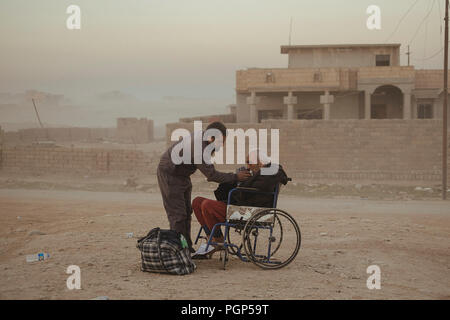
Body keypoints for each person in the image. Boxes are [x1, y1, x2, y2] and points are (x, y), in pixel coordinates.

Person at [157, 122, 250, 253]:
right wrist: (235, 177)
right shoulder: (199, 149)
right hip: (170, 174)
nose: (221, 145)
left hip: (183, 175)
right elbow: (211, 175)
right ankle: (178, 251)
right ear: (211, 138)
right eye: (220, 142)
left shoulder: (204, 140)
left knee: (187, 212)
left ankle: (186, 248)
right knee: (178, 215)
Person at [192, 149, 288, 257]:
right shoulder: (257, 173)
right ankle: (212, 238)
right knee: (197, 201)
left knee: (207, 205)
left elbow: (251, 190)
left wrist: (242, 182)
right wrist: (235, 178)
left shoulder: (272, 171)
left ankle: (218, 242)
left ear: (260, 163)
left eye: (249, 162)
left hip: (249, 212)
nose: (247, 166)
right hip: (240, 206)